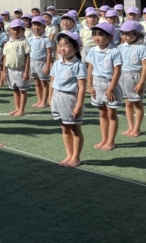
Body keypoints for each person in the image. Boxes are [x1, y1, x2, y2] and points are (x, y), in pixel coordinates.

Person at [49, 33, 87, 168]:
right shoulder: (57, 63)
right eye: (60, 45)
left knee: (75, 129)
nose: (62, 48)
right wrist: (50, 98)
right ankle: (69, 155)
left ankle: (76, 157)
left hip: (71, 98)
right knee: (64, 128)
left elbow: (82, 88)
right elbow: (52, 81)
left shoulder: (79, 65)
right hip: (57, 97)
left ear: (76, 48)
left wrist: (79, 105)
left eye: (66, 45)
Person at [86, 22, 123, 151]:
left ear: (111, 37)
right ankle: (104, 138)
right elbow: (90, 69)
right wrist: (89, 85)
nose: (96, 37)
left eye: (101, 35)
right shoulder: (92, 50)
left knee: (111, 114)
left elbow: (117, 71)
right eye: (94, 34)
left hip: (109, 84)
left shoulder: (114, 51)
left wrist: (111, 88)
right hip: (97, 84)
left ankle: (111, 141)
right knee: (102, 113)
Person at [117, 20, 146, 138]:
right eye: (123, 33)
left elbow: (145, 67)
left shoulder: (141, 47)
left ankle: (137, 128)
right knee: (128, 103)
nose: (125, 36)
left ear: (137, 34)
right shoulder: (120, 47)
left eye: (128, 33)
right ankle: (130, 126)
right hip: (122, 76)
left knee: (137, 103)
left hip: (135, 77)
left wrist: (141, 83)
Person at [2, 19, 31, 117]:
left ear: (23, 31)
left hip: (21, 69)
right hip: (10, 70)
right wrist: (4, 71)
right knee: (15, 89)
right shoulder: (8, 43)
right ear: (10, 30)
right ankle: (17, 108)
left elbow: (28, 58)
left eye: (18, 30)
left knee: (22, 90)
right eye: (13, 29)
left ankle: (22, 109)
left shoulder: (24, 42)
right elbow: (5, 58)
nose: (15, 32)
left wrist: (26, 71)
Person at [28, 16, 53, 108]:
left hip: (42, 63)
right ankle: (39, 100)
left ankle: (44, 101)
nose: (36, 27)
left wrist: (47, 66)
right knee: (37, 82)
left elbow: (49, 54)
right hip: (32, 62)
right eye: (34, 25)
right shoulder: (30, 39)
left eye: (39, 25)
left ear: (44, 27)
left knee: (44, 83)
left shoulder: (46, 39)